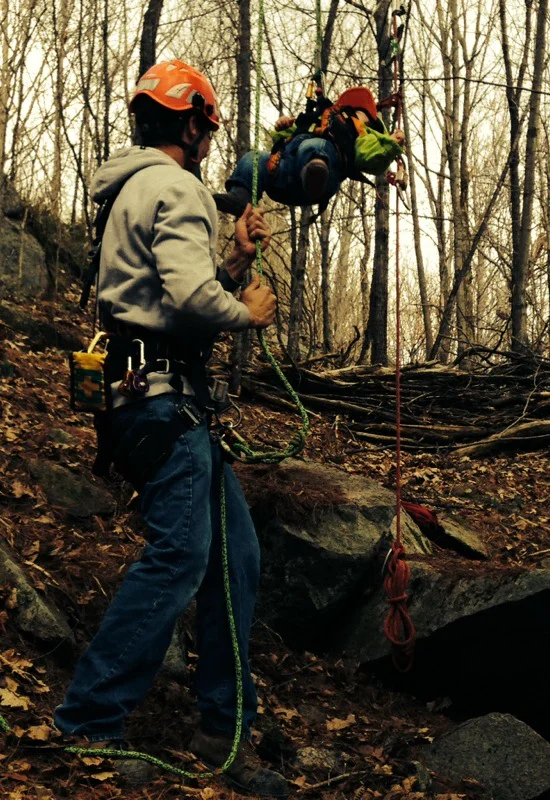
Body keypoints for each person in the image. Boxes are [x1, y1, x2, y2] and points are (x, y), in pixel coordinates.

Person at [54, 59, 289, 799]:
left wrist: (233, 261)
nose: (211, 140)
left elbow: (165, 293)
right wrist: (245, 309)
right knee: (182, 554)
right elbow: (189, 301)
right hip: (163, 405)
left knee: (235, 554)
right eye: (207, 126)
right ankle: (89, 717)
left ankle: (222, 727)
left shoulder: (129, 187)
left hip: (144, 400)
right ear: (190, 123)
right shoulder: (179, 186)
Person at [214, 85, 405, 217]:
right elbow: (286, 138)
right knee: (255, 158)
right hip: (286, 172)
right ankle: (241, 195)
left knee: (315, 147)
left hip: (324, 177)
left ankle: (315, 173)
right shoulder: (317, 122)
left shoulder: (361, 134)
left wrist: (390, 144)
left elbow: (368, 157)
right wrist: (283, 127)